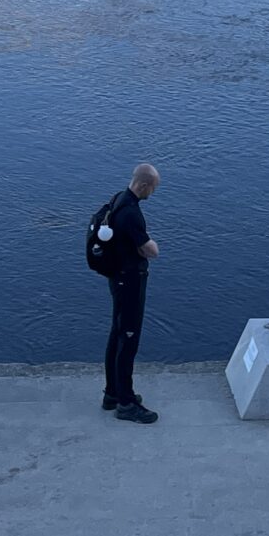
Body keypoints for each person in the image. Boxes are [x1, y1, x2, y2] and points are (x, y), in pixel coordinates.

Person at [96, 162, 161, 423]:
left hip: (117, 278)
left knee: (117, 335)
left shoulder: (117, 199)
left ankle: (112, 393)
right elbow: (151, 250)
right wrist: (152, 243)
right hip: (130, 282)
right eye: (153, 188)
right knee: (128, 340)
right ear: (144, 185)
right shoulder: (131, 213)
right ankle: (126, 403)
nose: (153, 192)